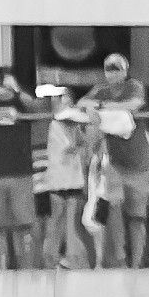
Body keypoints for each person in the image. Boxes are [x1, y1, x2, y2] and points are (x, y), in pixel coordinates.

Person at [80, 53, 149, 268]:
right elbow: (83, 102)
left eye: (117, 68)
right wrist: (104, 105)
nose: (113, 72)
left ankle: (137, 265)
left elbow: (135, 104)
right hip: (114, 164)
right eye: (109, 68)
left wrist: (101, 107)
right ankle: (117, 261)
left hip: (139, 163)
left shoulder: (134, 86)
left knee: (137, 217)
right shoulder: (101, 90)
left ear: (125, 69)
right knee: (112, 213)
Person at [0, 67, 46, 270]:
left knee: (23, 225)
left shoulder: (22, 102)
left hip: (20, 172)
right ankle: (1, 269)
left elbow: (38, 111)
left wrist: (17, 91)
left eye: (6, 82)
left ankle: (26, 268)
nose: (3, 87)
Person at [40, 91, 91, 268]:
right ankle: (50, 257)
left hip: (73, 180)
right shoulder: (55, 125)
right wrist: (79, 143)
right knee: (55, 221)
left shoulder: (76, 127)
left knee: (71, 223)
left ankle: (72, 257)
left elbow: (83, 142)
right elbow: (68, 149)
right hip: (57, 180)